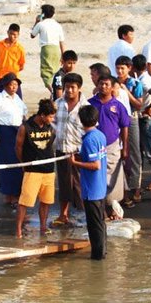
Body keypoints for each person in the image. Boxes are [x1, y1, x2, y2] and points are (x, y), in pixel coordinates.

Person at [88, 74, 130, 218]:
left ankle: (112, 207)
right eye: (101, 83)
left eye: (106, 84)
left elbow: (125, 126)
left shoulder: (118, 105)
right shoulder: (90, 104)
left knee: (113, 178)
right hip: (94, 146)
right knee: (97, 176)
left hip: (112, 145)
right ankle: (101, 210)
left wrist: (125, 147)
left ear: (112, 87)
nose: (103, 87)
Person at [70, 105, 108, 260]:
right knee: (100, 222)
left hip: (92, 190)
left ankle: (98, 255)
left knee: (95, 225)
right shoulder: (100, 135)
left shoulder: (89, 140)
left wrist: (75, 163)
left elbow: (95, 165)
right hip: (100, 187)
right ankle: (102, 251)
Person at [15, 99, 57, 238]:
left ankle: (43, 227)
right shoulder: (25, 127)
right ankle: (19, 230)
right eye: (50, 116)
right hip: (32, 170)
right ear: (43, 115)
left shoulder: (50, 127)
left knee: (46, 201)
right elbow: (18, 147)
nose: (52, 119)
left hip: (49, 170)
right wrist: (23, 164)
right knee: (25, 202)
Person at [0, 73, 28, 206]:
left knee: (18, 163)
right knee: (6, 165)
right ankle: (8, 195)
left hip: (17, 131)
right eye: (11, 84)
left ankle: (15, 195)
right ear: (5, 85)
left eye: (16, 84)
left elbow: (24, 116)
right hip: (4, 132)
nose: (14, 87)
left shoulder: (18, 99)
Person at [53, 73, 90, 226]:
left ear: (79, 88)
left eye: (72, 87)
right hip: (61, 151)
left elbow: (90, 129)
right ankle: (63, 215)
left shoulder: (86, 106)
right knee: (64, 184)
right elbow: (51, 123)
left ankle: (88, 215)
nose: (69, 90)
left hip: (79, 152)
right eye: (67, 87)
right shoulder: (57, 103)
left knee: (80, 185)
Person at [115, 55, 143, 206]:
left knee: (134, 153)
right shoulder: (113, 82)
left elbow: (139, 105)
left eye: (122, 68)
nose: (119, 71)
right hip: (116, 119)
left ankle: (136, 188)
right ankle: (123, 188)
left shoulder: (135, 83)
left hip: (131, 118)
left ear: (129, 68)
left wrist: (126, 92)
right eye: (118, 68)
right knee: (119, 152)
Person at [133, 54, 151, 191]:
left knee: (149, 150)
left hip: (146, 119)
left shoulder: (144, 81)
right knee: (144, 149)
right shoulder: (143, 78)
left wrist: (148, 108)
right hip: (144, 118)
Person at [30, 4, 66, 93]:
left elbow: (32, 35)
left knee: (45, 73)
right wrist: (63, 55)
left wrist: (36, 21)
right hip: (56, 50)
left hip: (46, 49)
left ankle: (54, 92)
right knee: (56, 72)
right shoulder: (58, 25)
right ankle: (57, 90)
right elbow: (62, 42)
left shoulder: (41, 24)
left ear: (43, 14)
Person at [0, 23, 26, 98]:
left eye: (15, 34)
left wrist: (12, 71)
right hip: (1, 77)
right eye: (10, 34)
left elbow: (21, 66)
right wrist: (0, 69)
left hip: (14, 78)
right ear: (7, 32)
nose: (12, 36)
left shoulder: (20, 48)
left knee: (18, 101)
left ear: (18, 35)